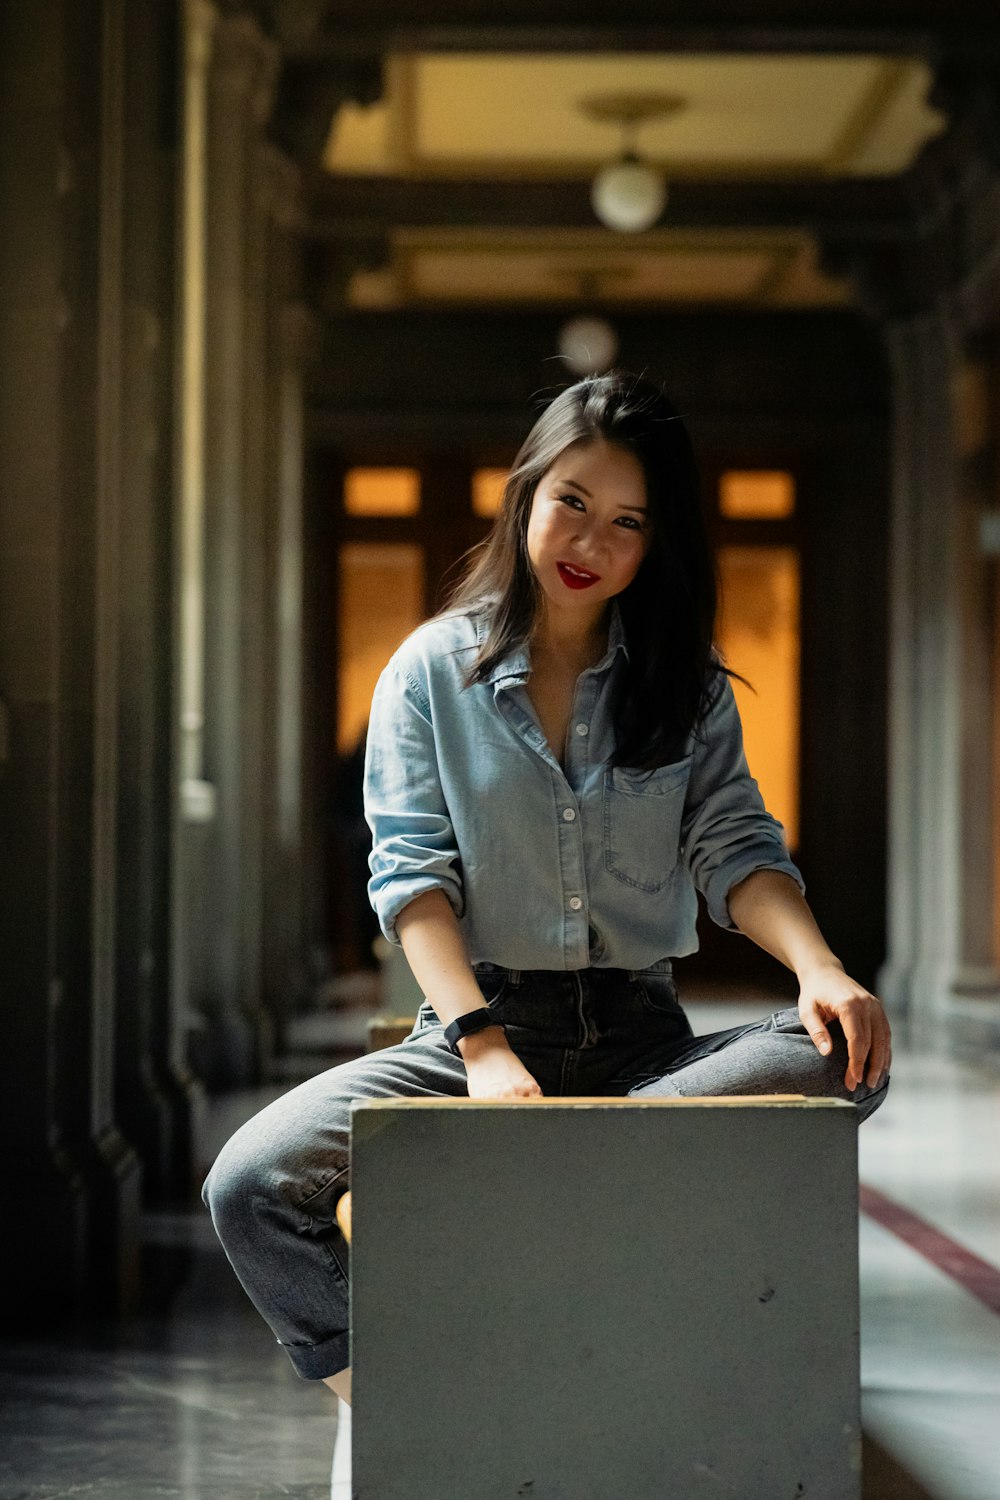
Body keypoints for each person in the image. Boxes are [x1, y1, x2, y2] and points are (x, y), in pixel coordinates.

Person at [202, 369, 891, 1419]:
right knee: (248, 1184)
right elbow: (412, 876)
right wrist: (483, 1052)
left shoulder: (685, 686)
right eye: (572, 501)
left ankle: (571, 1153)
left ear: (654, 542)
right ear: (525, 491)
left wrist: (822, 969)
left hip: (646, 1045)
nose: (591, 543)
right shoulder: (430, 672)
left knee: (845, 1057)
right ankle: (402, 1408)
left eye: (627, 522)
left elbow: (737, 849)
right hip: (473, 1037)